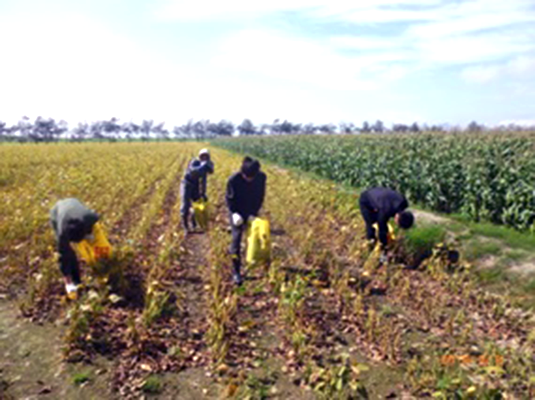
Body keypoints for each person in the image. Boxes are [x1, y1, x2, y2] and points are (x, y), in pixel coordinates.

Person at [226, 157, 267, 286]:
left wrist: (253, 213)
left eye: (251, 177)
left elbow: (260, 196)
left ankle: (258, 261)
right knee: (236, 239)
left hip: (251, 210)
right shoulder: (233, 180)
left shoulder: (261, 178)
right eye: (246, 177)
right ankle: (236, 271)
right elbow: (229, 199)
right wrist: (234, 214)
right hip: (237, 211)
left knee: (257, 237)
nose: (249, 179)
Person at [50, 198, 100, 298]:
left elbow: (96, 220)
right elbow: (63, 257)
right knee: (68, 253)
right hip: (57, 212)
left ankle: (98, 266)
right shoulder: (62, 234)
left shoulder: (90, 217)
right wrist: (67, 282)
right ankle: (75, 280)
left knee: (94, 241)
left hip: (74, 204)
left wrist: (89, 232)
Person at [359, 187, 414, 262]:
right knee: (372, 225)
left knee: (382, 227)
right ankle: (370, 251)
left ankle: (378, 250)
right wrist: (384, 246)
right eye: (398, 224)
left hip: (378, 194)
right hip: (366, 200)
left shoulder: (403, 203)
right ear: (397, 218)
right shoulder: (385, 211)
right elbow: (382, 230)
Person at [180, 148, 214, 233]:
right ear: (200, 156)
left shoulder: (205, 166)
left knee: (197, 205)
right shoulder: (195, 162)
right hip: (187, 184)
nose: (204, 158)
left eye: (206, 156)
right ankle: (185, 226)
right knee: (186, 205)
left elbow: (203, 181)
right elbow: (193, 171)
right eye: (203, 156)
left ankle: (194, 225)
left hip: (195, 185)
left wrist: (203, 193)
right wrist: (203, 165)